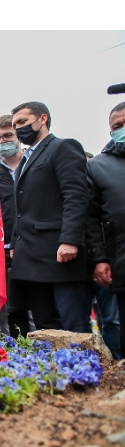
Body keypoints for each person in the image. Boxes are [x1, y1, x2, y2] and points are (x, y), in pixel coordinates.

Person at [9, 101, 89, 333]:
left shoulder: (63, 147)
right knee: (45, 325)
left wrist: (70, 240)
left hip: (59, 254)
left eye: (23, 121)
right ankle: (54, 369)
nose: (18, 128)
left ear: (42, 118)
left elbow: (75, 196)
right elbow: (22, 206)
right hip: (31, 257)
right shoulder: (24, 160)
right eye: (15, 125)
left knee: (73, 323)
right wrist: (16, 242)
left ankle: (84, 368)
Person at [0, 115, 30, 338]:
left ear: (18, 136)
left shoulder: (33, 165)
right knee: (1, 313)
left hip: (30, 249)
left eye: (8, 135)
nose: (2, 141)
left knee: (29, 310)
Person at [87, 101, 125, 359]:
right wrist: (100, 258)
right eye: (117, 126)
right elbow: (91, 218)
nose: (122, 129)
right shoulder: (98, 166)